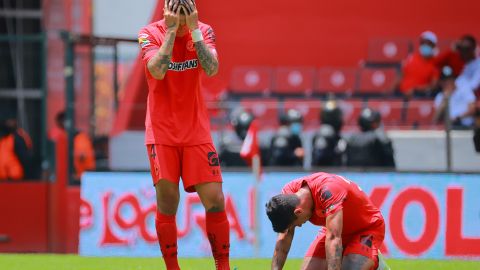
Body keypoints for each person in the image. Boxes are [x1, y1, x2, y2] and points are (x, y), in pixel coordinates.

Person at [138, 0, 230, 269]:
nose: (179, 12)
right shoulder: (149, 32)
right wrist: (169, 31)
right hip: (161, 131)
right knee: (167, 202)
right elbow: (156, 69)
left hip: (196, 131)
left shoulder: (204, 30)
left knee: (215, 199)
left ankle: (222, 266)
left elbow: (212, 69)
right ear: (165, 9)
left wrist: (194, 31)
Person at [266, 172, 387, 270]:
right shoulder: (287, 197)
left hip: (366, 228)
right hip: (333, 228)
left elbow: (334, 238)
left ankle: (376, 264)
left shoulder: (329, 191)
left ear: (298, 212)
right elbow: (284, 237)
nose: (300, 226)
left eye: (296, 224)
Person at [50, 111, 96, 180]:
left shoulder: (79, 138)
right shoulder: (67, 136)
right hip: (77, 177)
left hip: (82, 177)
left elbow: (82, 156)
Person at [397, 31, 440, 98]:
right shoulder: (411, 58)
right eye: (423, 43)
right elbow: (401, 75)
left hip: (419, 96)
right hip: (401, 95)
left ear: (433, 46)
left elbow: (433, 86)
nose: (425, 45)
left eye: (428, 44)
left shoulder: (435, 63)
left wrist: (415, 90)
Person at [311, 100, 346, 166]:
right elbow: (319, 158)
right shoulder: (325, 133)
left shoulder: (336, 136)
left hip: (334, 172)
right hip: (326, 173)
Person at [0, 113, 32, 180]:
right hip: (3, 176)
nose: (10, 123)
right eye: (8, 121)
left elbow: (24, 157)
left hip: (14, 176)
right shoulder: (4, 137)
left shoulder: (17, 137)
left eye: (11, 121)